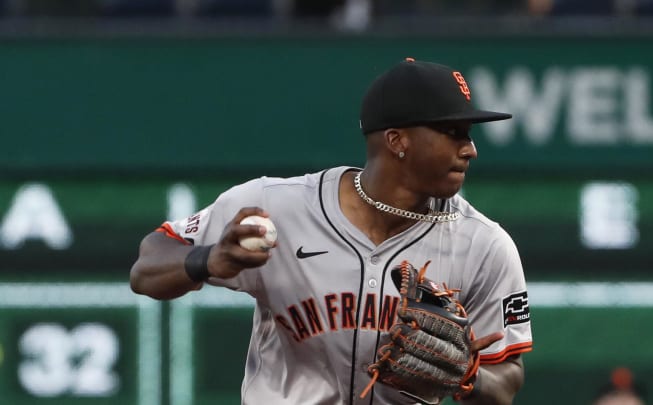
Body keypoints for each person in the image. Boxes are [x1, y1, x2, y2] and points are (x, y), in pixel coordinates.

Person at [130, 57, 533, 404]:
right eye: (453, 133)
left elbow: (507, 381)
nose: (470, 149)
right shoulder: (277, 206)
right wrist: (209, 259)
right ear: (397, 140)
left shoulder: (484, 244)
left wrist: (469, 376)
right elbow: (146, 267)